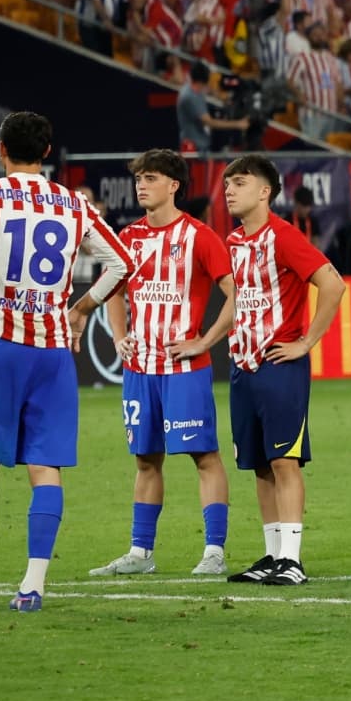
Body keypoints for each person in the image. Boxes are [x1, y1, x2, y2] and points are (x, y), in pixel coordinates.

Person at [0, 112, 134, 611]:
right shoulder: (74, 203)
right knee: (45, 465)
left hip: (0, 344)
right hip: (53, 352)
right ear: (47, 153)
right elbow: (121, 263)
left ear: (1, 150)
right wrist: (82, 307)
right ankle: (33, 587)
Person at [76, 150, 236, 578]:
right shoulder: (127, 239)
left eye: (150, 178)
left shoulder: (200, 237)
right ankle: (140, 552)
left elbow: (234, 296)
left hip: (185, 370)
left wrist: (204, 340)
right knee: (146, 460)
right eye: (138, 179)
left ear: (173, 186)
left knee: (204, 456)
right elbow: (112, 289)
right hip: (139, 371)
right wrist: (119, 334)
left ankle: (214, 550)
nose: (141, 185)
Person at [219, 154, 348, 587]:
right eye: (227, 185)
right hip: (244, 366)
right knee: (259, 465)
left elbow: (333, 283)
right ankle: (273, 556)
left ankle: (292, 559)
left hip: (280, 365)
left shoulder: (284, 236)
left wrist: (306, 342)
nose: (230, 191)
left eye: (239, 183)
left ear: (264, 191)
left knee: (284, 460)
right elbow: (237, 301)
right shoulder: (234, 242)